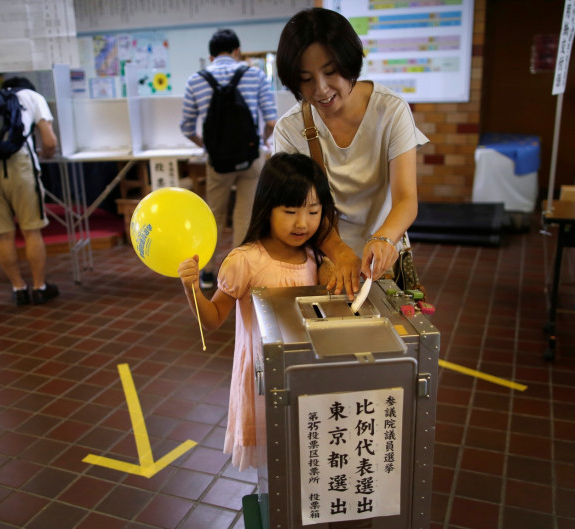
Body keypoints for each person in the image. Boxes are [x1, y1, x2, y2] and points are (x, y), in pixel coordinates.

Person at [177, 152, 336, 470]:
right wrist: (192, 289)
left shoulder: (315, 258)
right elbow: (213, 319)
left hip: (304, 375)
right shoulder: (245, 260)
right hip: (261, 380)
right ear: (267, 208)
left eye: (313, 211)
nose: (302, 222)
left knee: (306, 454)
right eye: (290, 211)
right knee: (271, 465)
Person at [273, 7, 429, 300]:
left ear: (350, 61)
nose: (321, 89)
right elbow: (294, 210)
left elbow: (407, 199)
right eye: (305, 78)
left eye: (331, 72)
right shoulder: (289, 130)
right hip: (321, 260)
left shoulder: (391, 110)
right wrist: (338, 251)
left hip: (382, 259)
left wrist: (384, 239)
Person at [180, 28, 278, 290]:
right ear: (238, 52)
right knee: (245, 216)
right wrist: (261, 141)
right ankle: (237, 273)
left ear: (211, 56)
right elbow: (270, 120)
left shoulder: (196, 80)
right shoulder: (255, 75)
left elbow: (187, 128)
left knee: (213, 215)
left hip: (218, 162)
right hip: (250, 157)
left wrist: (208, 147)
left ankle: (209, 272)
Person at [0, 76, 59, 306]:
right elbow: (49, 142)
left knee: (3, 235)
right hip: (18, 168)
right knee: (31, 231)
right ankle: (40, 286)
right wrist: (44, 155)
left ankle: (18, 288)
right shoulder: (33, 97)